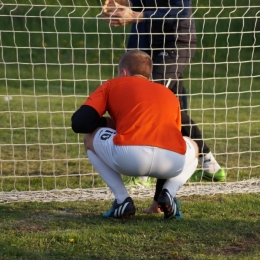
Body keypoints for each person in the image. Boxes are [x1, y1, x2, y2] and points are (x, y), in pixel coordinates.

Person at [102, 0, 226, 213]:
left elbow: (180, 10)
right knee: (173, 108)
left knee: (155, 104)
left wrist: (136, 16)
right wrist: (118, 6)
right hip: (144, 40)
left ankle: (152, 185)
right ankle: (207, 160)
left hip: (176, 42)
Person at [71, 50, 198, 220]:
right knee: (192, 147)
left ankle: (122, 200)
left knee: (89, 139)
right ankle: (168, 194)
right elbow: (172, 139)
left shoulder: (112, 84)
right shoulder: (169, 94)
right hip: (170, 162)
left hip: (128, 157)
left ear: (123, 72)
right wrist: (155, 203)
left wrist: (106, 123)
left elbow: (80, 123)